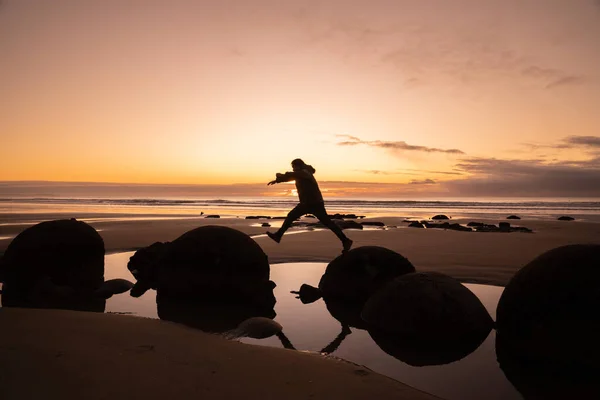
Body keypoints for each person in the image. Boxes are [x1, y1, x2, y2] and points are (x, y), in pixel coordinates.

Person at [266, 158, 353, 253]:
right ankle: (345, 241)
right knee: (326, 223)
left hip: (313, 203)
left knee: (293, 216)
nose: (293, 169)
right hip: (309, 203)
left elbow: (294, 174)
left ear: (298, 166)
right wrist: (278, 180)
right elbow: (291, 177)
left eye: (294, 167)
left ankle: (278, 235)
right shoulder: (301, 173)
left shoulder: (305, 172)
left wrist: (281, 175)